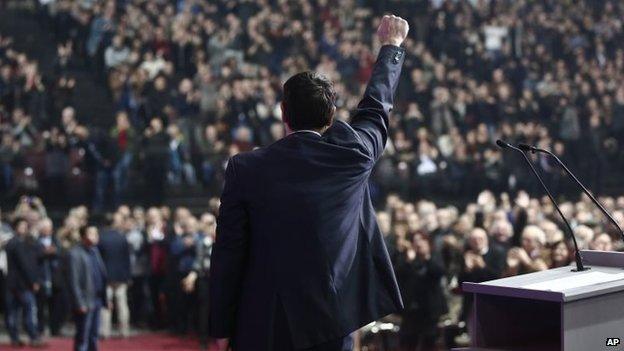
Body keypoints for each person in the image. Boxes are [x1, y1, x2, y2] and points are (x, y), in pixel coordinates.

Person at [208, 15, 409, 351]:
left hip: (264, 322)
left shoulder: (246, 169)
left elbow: (229, 252)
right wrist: (392, 47)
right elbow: (376, 107)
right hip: (332, 320)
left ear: (283, 113)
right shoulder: (354, 155)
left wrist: (220, 326)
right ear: (331, 116)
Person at [395, 232, 447, 351]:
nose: (418, 244)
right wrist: (409, 261)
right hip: (411, 308)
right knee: (409, 341)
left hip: (430, 308)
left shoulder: (435, 256)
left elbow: (439, 272)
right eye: (415, 241)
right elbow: (398, 274)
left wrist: (426, 258)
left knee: (429, 341)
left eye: (421, 241)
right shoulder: (407, 257)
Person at [67, 226, 107, 351]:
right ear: (83, 236)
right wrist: (79, 303)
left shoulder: (95, 251)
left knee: (94, 335)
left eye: (96, 233)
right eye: (92, 233)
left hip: (97, 298)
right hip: (85, 301)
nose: (95, 236)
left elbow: (101, 274)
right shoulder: (75, 254)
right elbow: (74, 281)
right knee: (82, 336)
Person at [5, 218, 43, 347]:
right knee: (28, 310)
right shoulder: (18, 243)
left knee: (13, 312)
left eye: (26, 226)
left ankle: (15, 338)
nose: (25, 228)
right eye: (22, 226)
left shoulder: (12, 242)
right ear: (15, 227)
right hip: (22, 284)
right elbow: (24, 264)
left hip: (11, 283)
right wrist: (33, 281)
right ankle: (33, 337)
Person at [98, 213, 131, 338]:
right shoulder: (122, 238)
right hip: (121, 276)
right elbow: (127, 259)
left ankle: (105, 331)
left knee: (106, 305)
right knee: (122, 304)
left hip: (106, 276)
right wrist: (128, 276)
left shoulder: (101, 238)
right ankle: (124, 330)